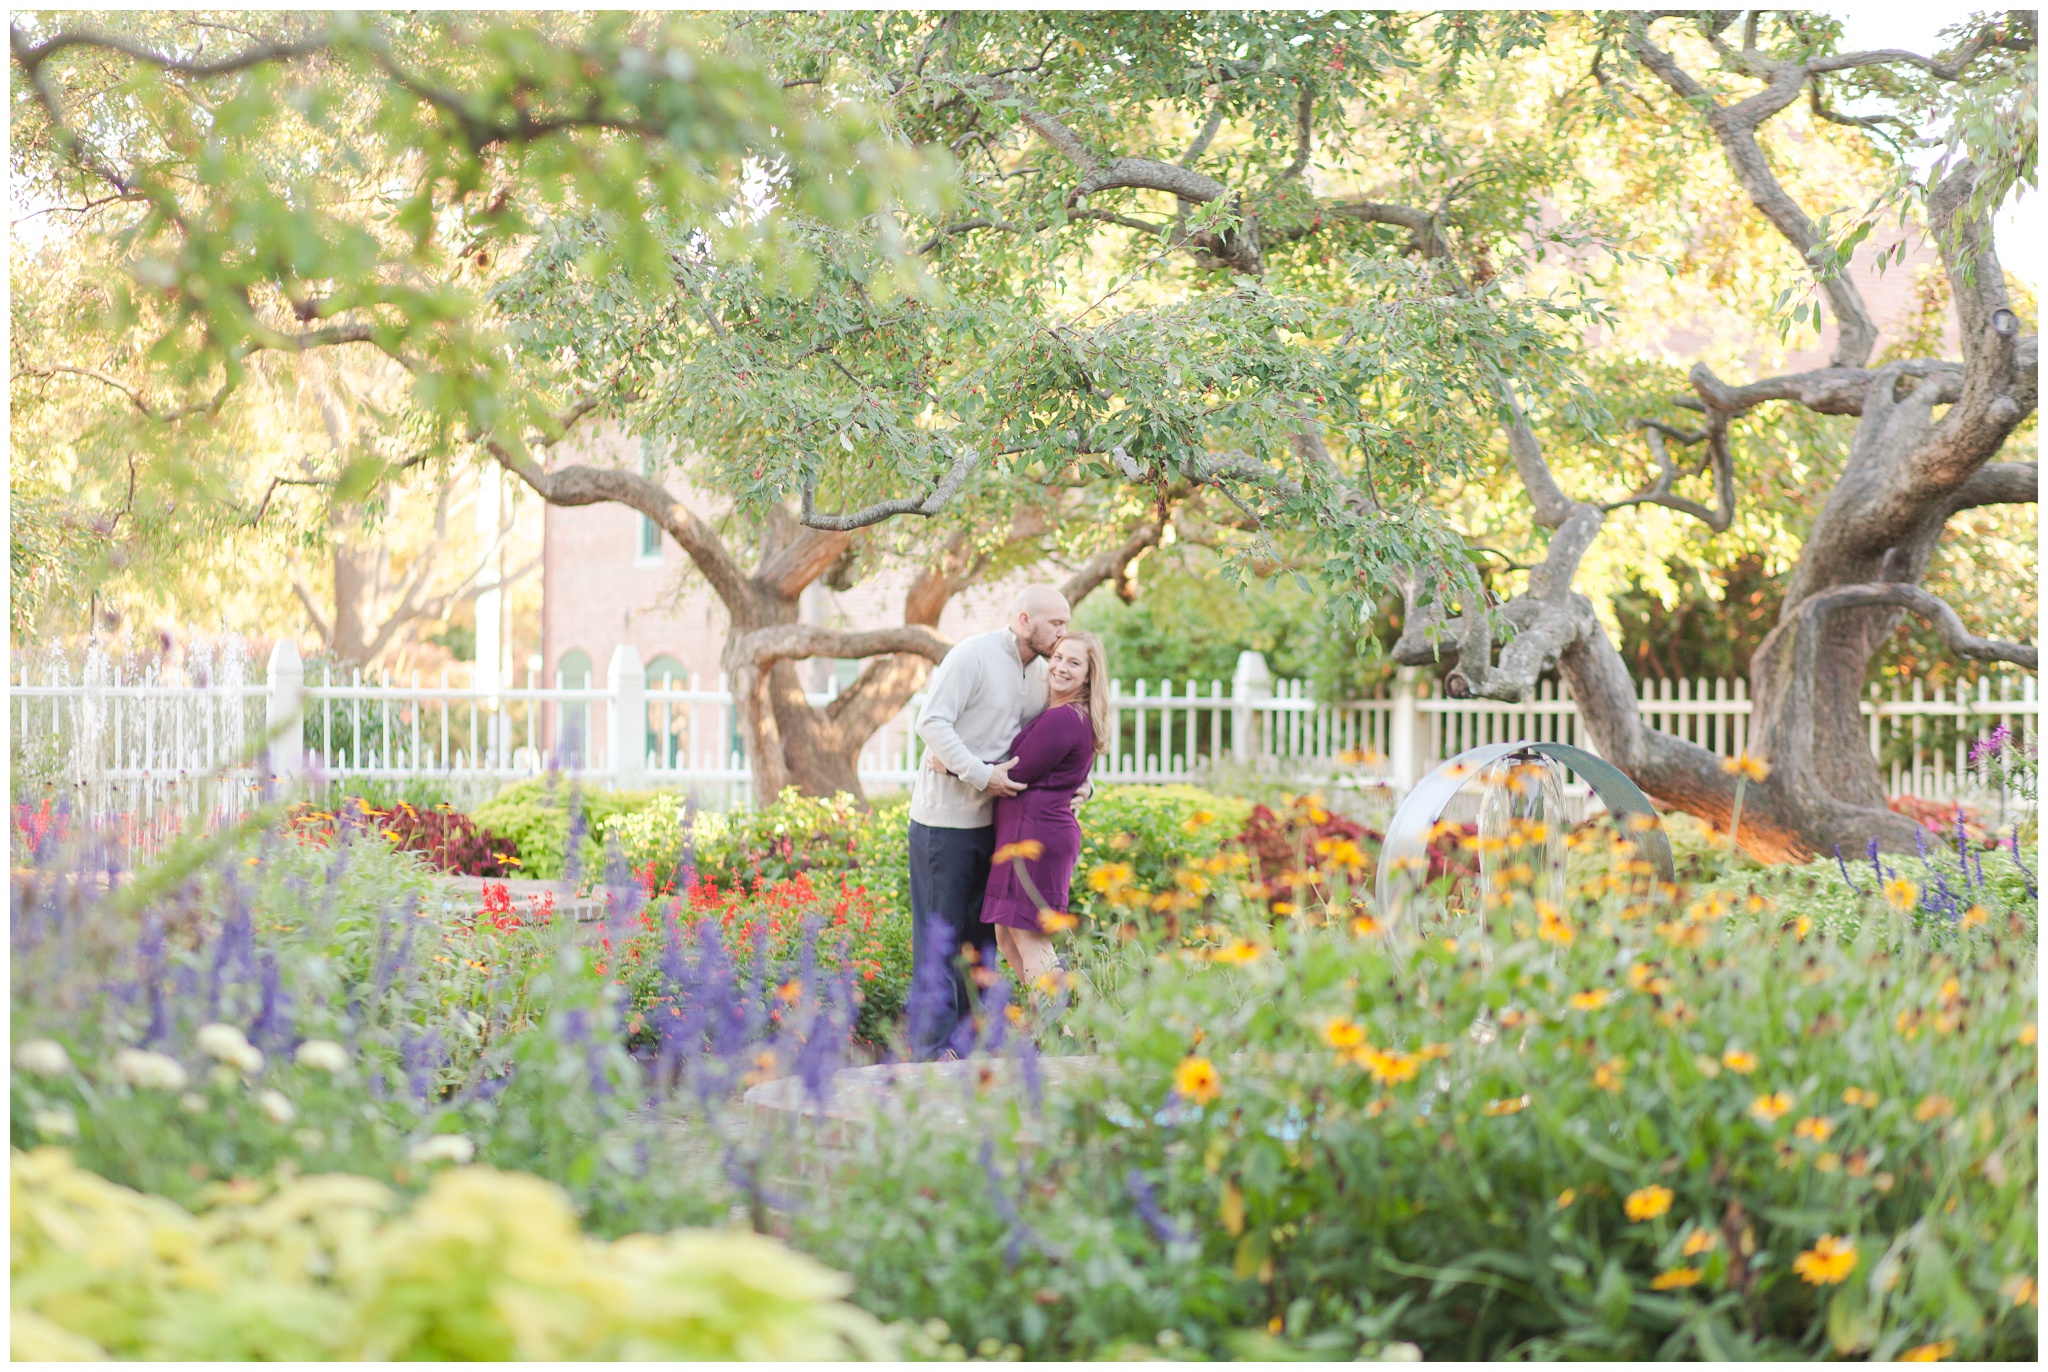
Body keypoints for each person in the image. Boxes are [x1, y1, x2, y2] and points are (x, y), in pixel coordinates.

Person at [907, 583, 1070, 1059]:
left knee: (980, 946)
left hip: (996, 827)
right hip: (943, 825)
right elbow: (931, 724)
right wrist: (980, 773)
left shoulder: (1041, 674)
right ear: (1024, 620)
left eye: (1066, 623)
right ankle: (931, 1054)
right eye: (1055, 623)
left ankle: (972, 1047)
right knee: (939, 941)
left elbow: (1052, 744)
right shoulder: (972, 656)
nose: (1063, 632)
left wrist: (1079, 785)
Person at [981, 630, 1110, 988]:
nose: (1061, 667)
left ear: (1089, 675)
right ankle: (1047, 1031)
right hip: (1026, 833)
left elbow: (1017, 771)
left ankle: (1058, 1035)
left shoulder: (1064, 719)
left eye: (1074, 662)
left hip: (1036, 836)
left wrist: (955, 763)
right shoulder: (1061, 713)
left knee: (1030, 938)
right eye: (1057, 657)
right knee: (1008, 937)